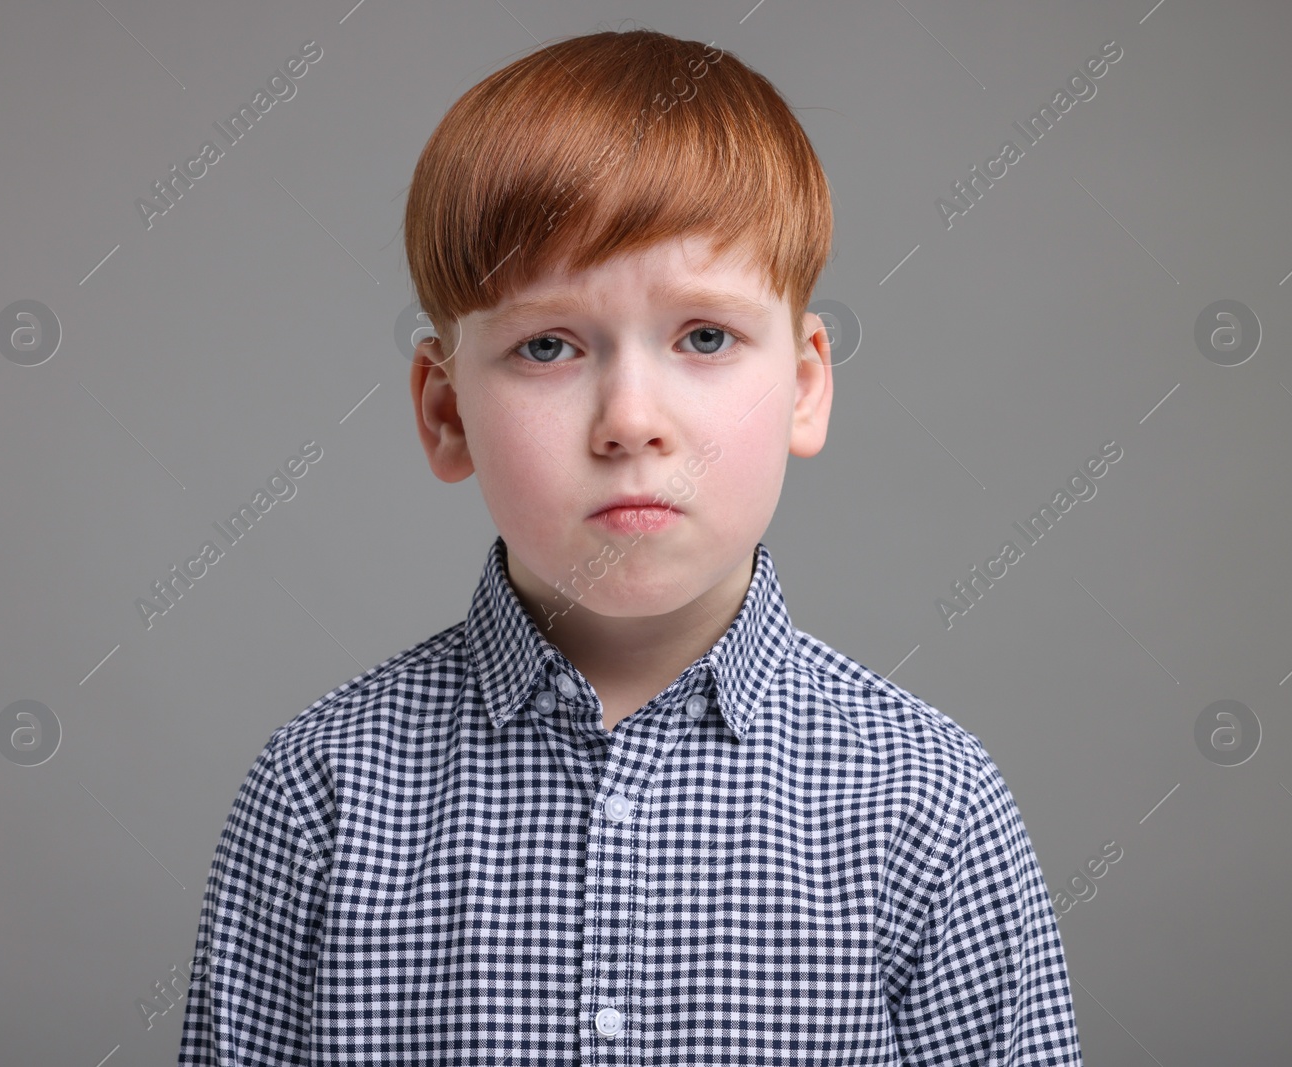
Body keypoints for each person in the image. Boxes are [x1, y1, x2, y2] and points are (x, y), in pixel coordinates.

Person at [178, 26, 1082, 1065]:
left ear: (803, 382)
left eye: (704, 336)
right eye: (548, 345)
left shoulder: (929, 803)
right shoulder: (321, 795)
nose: (630, 418)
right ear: (445, 413)